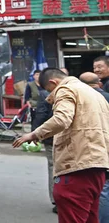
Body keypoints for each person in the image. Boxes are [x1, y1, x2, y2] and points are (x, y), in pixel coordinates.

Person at [14, 68, 109, 223]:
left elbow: (61, 119)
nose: (50, 96)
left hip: (76, 167)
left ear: (54, 82)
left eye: (50, 91)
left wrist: (34, 134)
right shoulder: (95, 95)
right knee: (90, 217)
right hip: (97, 167)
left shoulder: (66, 89)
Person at [80, 72, 109, 222]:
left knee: (102, 189)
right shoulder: (106, 96)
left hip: (96, 149)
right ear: (99, 83)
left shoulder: (84, 99)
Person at [30, 78, 53, 213]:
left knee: (54, 166)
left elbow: (41, 114)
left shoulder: (46, 95)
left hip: (52, 136)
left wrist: (35, 134)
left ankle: (56, 200)